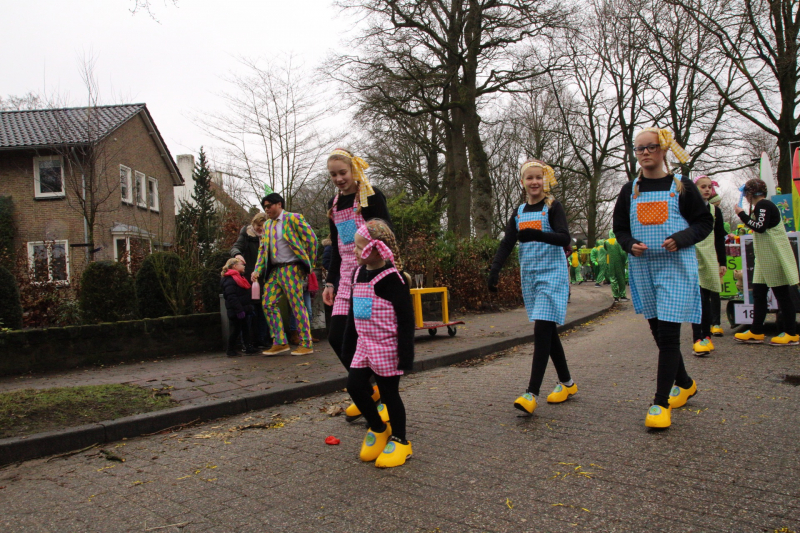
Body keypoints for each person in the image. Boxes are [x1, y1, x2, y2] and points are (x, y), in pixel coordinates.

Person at [612, 127, 713, 429]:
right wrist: (629, 244)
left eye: (650, 147)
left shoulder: (682, 186)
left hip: (675, 268)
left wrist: (682, 238)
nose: (644, 153)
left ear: (664, 149)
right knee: (658, 333)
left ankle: (660, 403)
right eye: (639, 148)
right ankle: (685, 383)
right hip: (643, 270)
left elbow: (704, 222)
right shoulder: (630, 190)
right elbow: (619, 229)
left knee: (669, 336)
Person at [488, 160, 576, 416]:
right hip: (531, 278)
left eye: (539, 177)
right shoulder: (519, 211)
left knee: (541, 330)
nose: (534, 182)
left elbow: (564, 237)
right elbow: (507, 243)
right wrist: (494, 270)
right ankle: (568, 383)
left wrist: (537, 234)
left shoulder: (553, 207)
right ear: (523, 182)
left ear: (545, 180)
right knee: (548, 331)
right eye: (529, 178)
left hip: (553, 276)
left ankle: (531, 393)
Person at [322, 148, 392, 421]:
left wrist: (383, 273)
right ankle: (368, 389)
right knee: (337, 338)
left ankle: (385, 397)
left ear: (354, 171)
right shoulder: (334, 202)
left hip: (369, 277)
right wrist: (330, 282)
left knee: (367, 339)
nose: (339, 178)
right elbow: (338, 247)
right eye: (333, 175)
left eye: (343, 172)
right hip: (344, 281)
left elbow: (386, 232)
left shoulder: (371, 196)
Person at [342, 220, 415, 468]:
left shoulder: (394, 280)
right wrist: (348, 345)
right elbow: (353, 314)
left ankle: (401, 440)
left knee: (389, 394)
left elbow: (406, 320)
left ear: (376, 249)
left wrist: (406, 355)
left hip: (386, 346)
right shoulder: (357, 274)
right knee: (354, 385)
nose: (354, 250)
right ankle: (377, 427)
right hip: (364, 344)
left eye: (360, 246)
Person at [251, 192, 318, 356]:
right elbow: (263, 250)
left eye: (269, 206)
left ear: (279, 204)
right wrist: (257, 269)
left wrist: (307, 264)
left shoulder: (293, 218)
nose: (267, 210)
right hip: (275, 270)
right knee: (267, 303)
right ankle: (280, 341)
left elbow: (312, 240)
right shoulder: (267, 225)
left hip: (291, 268)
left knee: (297, 305)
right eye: (264, 207)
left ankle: (306, 343)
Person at [734, 178, 799, 345]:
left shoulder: (764, 205)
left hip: (773, 256)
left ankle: (791, 333)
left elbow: (760, 226)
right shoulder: (763, 206)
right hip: (764, 258)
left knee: (782, 294)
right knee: (759, 294)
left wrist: (742, 214)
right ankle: (756, 331)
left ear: (749, 194)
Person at [690, 175, 727, 355]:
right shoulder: (686, 209)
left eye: (709, 187)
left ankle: (707, 335)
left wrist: (722, 262)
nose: (706, 190)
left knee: (707, 297)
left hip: (709, 257)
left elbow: (720, 238)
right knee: (698, 300)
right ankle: (697, 337)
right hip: (692, 257)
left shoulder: (715, 211)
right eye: (702, 187)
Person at [231, 211, 270, 348]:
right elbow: (236, 247)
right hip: (249, 278)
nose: (260, 228)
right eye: (258, 225)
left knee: (264, 309)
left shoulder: (269, 237)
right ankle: (247, 341)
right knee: (249, 310)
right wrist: (237, 255)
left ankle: (262, 338)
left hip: (264, 278)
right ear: (253, 224)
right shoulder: (247, 234)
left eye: (263, 226)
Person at [221, 258, 258, 357]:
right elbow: (231, 296)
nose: (244, 266)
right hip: (237, 310)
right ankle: (230, 350)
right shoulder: (230, 279)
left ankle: (248, 347)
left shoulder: (239, 277)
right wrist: (239, 310)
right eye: (241, 264)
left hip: (243, 309)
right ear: (234, 266)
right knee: (235, 330)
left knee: (245, 328)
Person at [605, 230, 628, 301]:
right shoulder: (618, 241)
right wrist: (625, 260)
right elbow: (622, 252)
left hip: (611, 262)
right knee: (621, 278)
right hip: (619, 262)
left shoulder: (606, 242)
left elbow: (606, 251)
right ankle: (622, 295)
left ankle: (615, 296)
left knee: (613, 278)